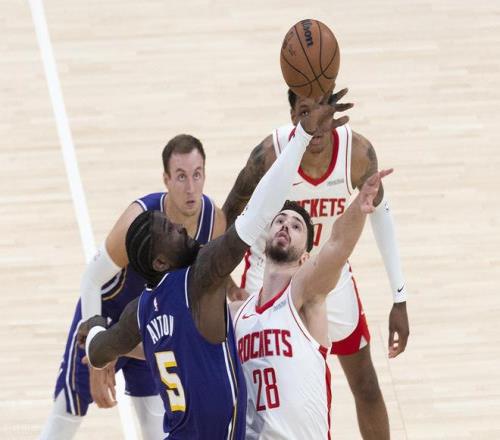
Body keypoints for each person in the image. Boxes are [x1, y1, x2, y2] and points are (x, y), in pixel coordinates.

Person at [76, 100, 351, 439]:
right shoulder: (200, 278)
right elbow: (260, 208)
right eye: (171, 230)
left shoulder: (141, 310)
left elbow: (100, 349)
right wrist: (302, 138)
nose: (181, 228)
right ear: (160, 261)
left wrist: (93, 328)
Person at [223, 87, 409, 439]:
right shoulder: (269, 154)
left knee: (365, 382)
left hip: (325, 271)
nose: (318, 124)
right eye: (306, 112)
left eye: (323, 112)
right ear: (293, 117)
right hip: (269, 269)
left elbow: (376, 213)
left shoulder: (356, 153)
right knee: (254, 383)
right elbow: (227, 215)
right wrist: (224, 280)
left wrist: (399, 296)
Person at [40, 134, 226, 440]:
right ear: (166, 179)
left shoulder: (214, 221)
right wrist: (97, 348)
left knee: (156, 429)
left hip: (153, 326)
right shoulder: (138, 220)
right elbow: (91, 279)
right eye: (181, 176)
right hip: (106, 316)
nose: (191, 188)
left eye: (197, 174)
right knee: (65, 417)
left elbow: (207, 279)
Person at [231, 168, 392, 439]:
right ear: (265, 241)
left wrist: (359, 205)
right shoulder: (237, 313)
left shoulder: (305, 295)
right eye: (280, 221)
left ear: (305, 259)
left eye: (296, 226)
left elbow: (337, 245)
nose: (286, 225)